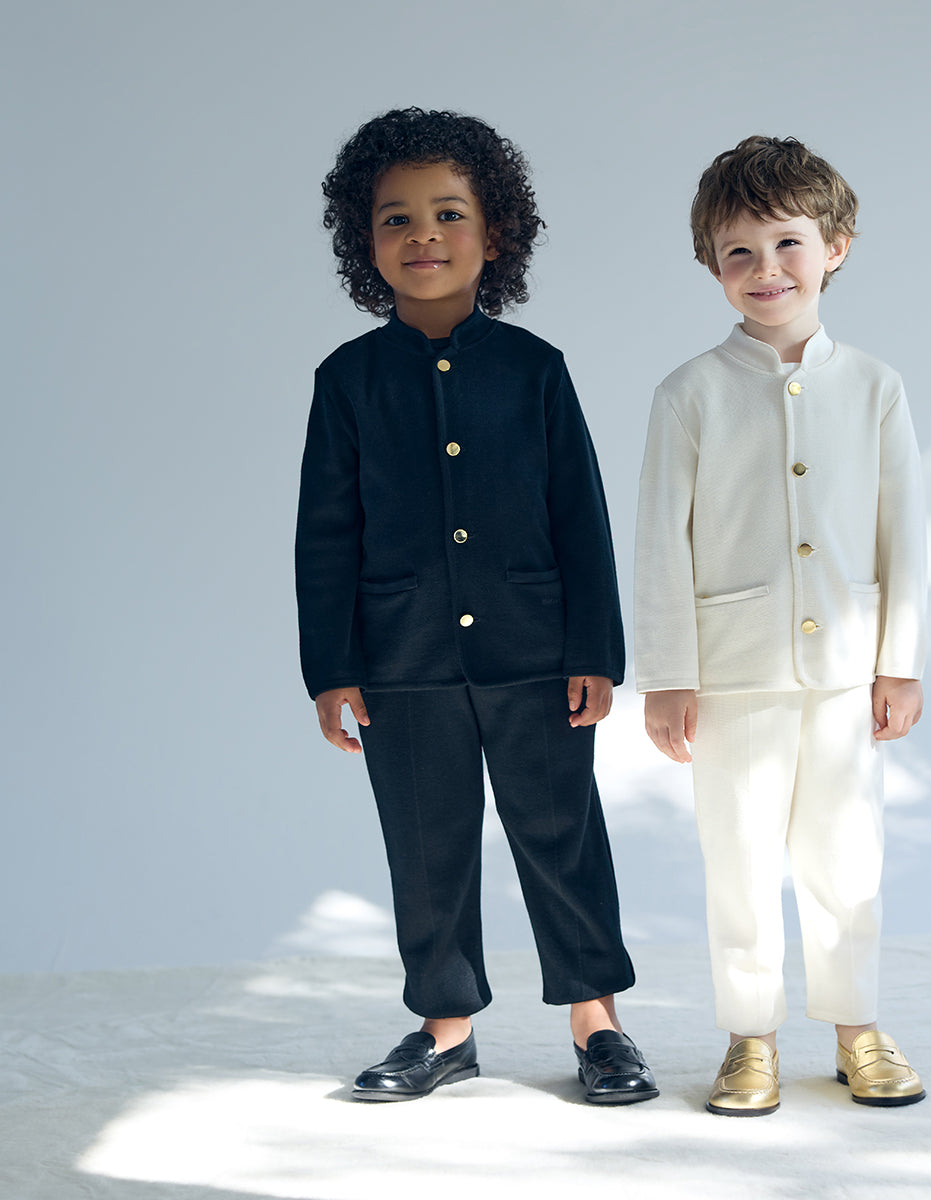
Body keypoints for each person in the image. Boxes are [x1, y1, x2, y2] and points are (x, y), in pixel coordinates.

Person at [297, 107, 656, 1105]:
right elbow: (324, 534)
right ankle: (445, 1028)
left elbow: (580, 515)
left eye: (448, 214)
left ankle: (598, 1023)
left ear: (495, 234)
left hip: (537, 652)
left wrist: (596, 649)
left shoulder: (536, 369)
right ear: (365, 242)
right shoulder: (347, 381)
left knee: (561, 833)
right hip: (400, 659)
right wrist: (331, 668)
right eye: (397, 219)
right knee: (426, 844)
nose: (424, 236)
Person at [635, 135, 926, 1115]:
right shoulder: (689, 394)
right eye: (739, 253)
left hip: (845, 672)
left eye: (788, 243)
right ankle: (748, 1037)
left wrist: (900, 662)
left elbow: (903, 533)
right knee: (741, 863)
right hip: (732, 677)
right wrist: (668, 674)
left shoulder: (875, 387)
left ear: (835, 246)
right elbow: (661, 541)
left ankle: (856, 1028)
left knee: (847, 861)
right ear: (712, 265)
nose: (767, 269)